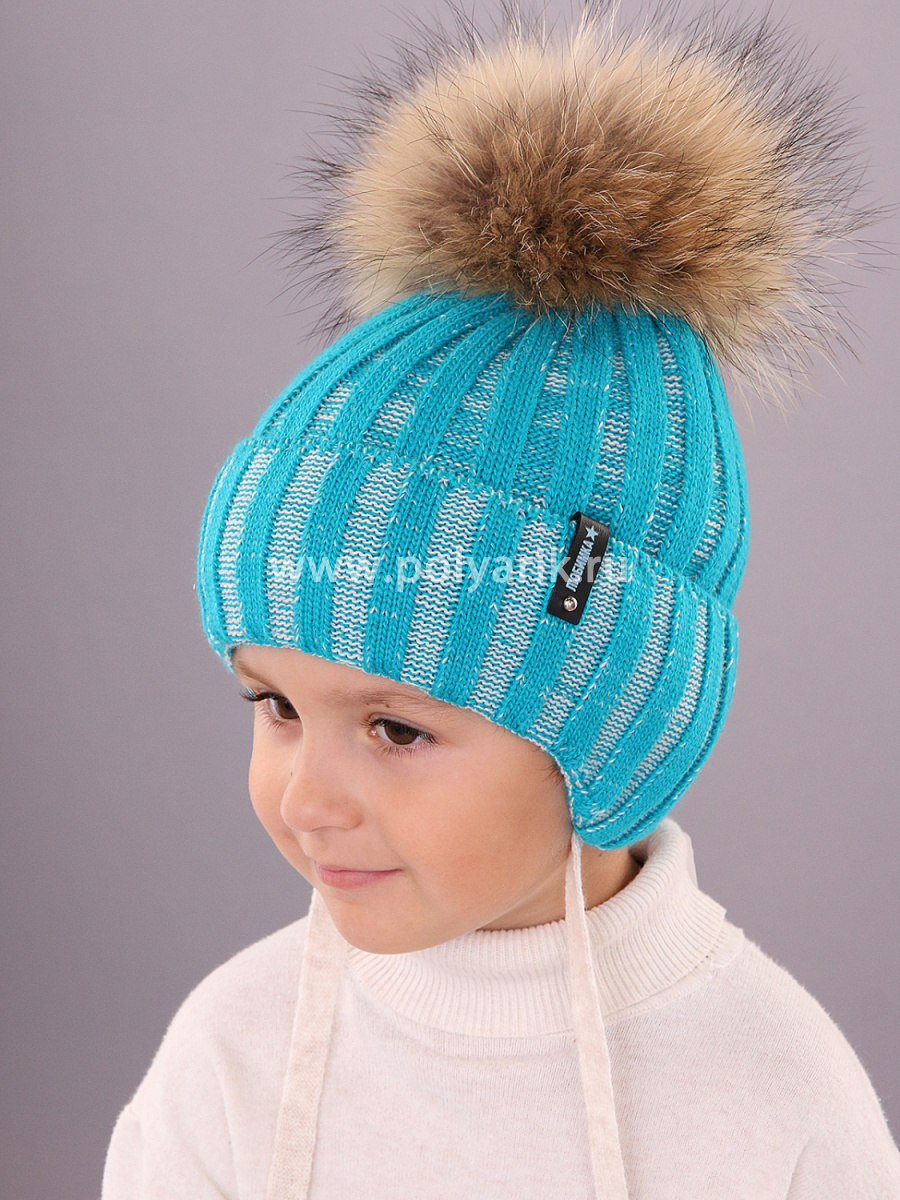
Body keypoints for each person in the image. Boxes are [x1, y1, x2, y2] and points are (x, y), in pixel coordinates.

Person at [101, 3, 900, 1197]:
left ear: (610, 733)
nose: (306, 799)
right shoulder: (232, 1057)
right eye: (276, 707)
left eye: (395, 728)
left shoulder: (772, 1098)